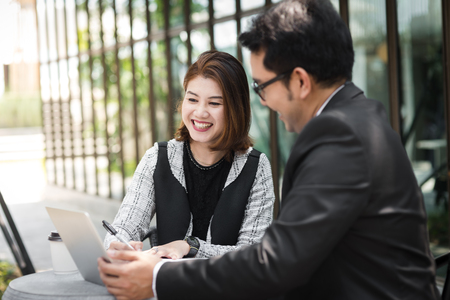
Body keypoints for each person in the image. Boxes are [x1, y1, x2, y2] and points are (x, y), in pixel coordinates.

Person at [98, 1, 440, 299]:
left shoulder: (340, 136)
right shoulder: (362, 117)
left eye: (262, 86)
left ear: (301, 81)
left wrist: (157, 277)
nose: (262, 99)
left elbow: (273, 262)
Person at [103, 50, 275, 260]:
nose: (200, 112)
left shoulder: (256, 167)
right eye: (192, 99)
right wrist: (116, 243)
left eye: (214, 103)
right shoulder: (157, 157)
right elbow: (125, 225)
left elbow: (253, 254)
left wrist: (190, 247)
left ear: (235, 109)